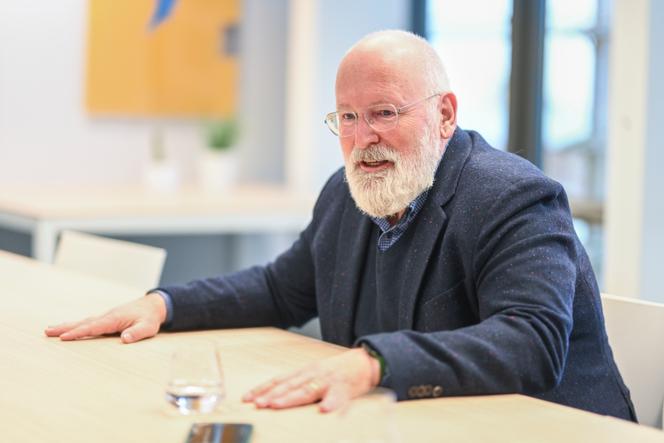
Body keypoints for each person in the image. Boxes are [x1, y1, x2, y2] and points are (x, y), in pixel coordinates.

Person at [45, 30, 636, 420]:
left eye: (384, 113)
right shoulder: (348, 192)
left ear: (445, 114)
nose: (363, 138)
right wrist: (167, 305)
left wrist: (373, 362)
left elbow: (531, 343)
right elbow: (281, 289)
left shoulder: (513, 196)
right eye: (348, 118)